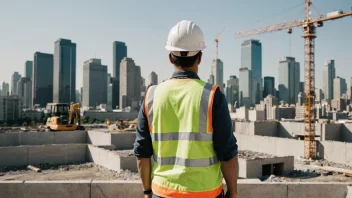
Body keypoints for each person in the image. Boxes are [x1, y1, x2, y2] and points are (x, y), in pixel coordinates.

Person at [134, 20, 239, 198]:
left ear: (170, 57)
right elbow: (227, 153)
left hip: (163, 192)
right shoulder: (213, 96)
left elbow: (142, 153)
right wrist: (233, 192)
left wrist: (146, 191)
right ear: (200, 57)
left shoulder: (151, 96)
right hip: (206, 193)